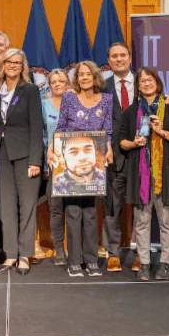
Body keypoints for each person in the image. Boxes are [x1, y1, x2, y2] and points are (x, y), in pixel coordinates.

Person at [117, 67, 169, 281]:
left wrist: (161, 131)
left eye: (150, 79)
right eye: (142, 80)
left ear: (158, 83)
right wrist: (134, 143)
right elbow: (121, 143)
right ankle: (144, 263)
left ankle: (165, 263)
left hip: (164, 173)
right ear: (138, 86)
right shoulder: (130, 111)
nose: (147, 83)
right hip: (139, 174)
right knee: (142, 221)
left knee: (166, 221)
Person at [54, 60, 113, 277]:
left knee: (90, 213)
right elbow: (61, 127)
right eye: (81, 75)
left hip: (95, 162)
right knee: (72, 212)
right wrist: (53, 149)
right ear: (76, 79)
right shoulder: (69, 98)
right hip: (70, 162)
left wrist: (108, 147)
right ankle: (75, 261)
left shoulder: (106, 100)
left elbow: (108, 130)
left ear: (95, 77)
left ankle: (91, 260)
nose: (85, 77)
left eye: (89, 74)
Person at [0, 49, 43, 274]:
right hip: (1, 154)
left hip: (25, 156)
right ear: (2, 65)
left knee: (27, 206)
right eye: (9, 62)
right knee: (6, 208)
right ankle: (10, 254)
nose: (12, 65)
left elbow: (37, 126)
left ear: (23, 66)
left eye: (17, 62)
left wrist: (35, 160)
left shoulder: (30, 90)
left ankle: (24, 255)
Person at [100, 42, 135, 272]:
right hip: (112, 156)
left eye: (123, 55)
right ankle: (113, 253)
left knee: (142, 207)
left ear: (130, 58)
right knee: (111, 207)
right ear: (109, 61)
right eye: (114, 56)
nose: (119, 59)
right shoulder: (102, 86)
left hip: (140, 155)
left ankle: (141, 253)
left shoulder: (145, 82)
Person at [42, 69, 69, 265]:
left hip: (77, 164)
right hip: (53, 165)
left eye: (61, 81)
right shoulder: (43, 105)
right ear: (49, 85)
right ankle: (59, 249)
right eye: (53, 82)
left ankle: (74, 248)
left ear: (68, 84)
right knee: (56, 209)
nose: (57, 84)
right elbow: (41, 136)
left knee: (75, 210)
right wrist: (45, 165)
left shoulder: (76, 103)